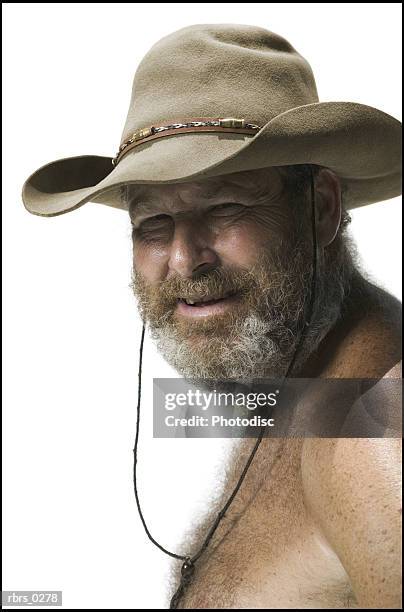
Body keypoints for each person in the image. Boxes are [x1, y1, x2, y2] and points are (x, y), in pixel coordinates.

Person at [21, 24, 402, 609]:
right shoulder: (294, 379)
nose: (184, 261)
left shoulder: (374, 442)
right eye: (152, 223)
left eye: (224, 206)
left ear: (321, 209)